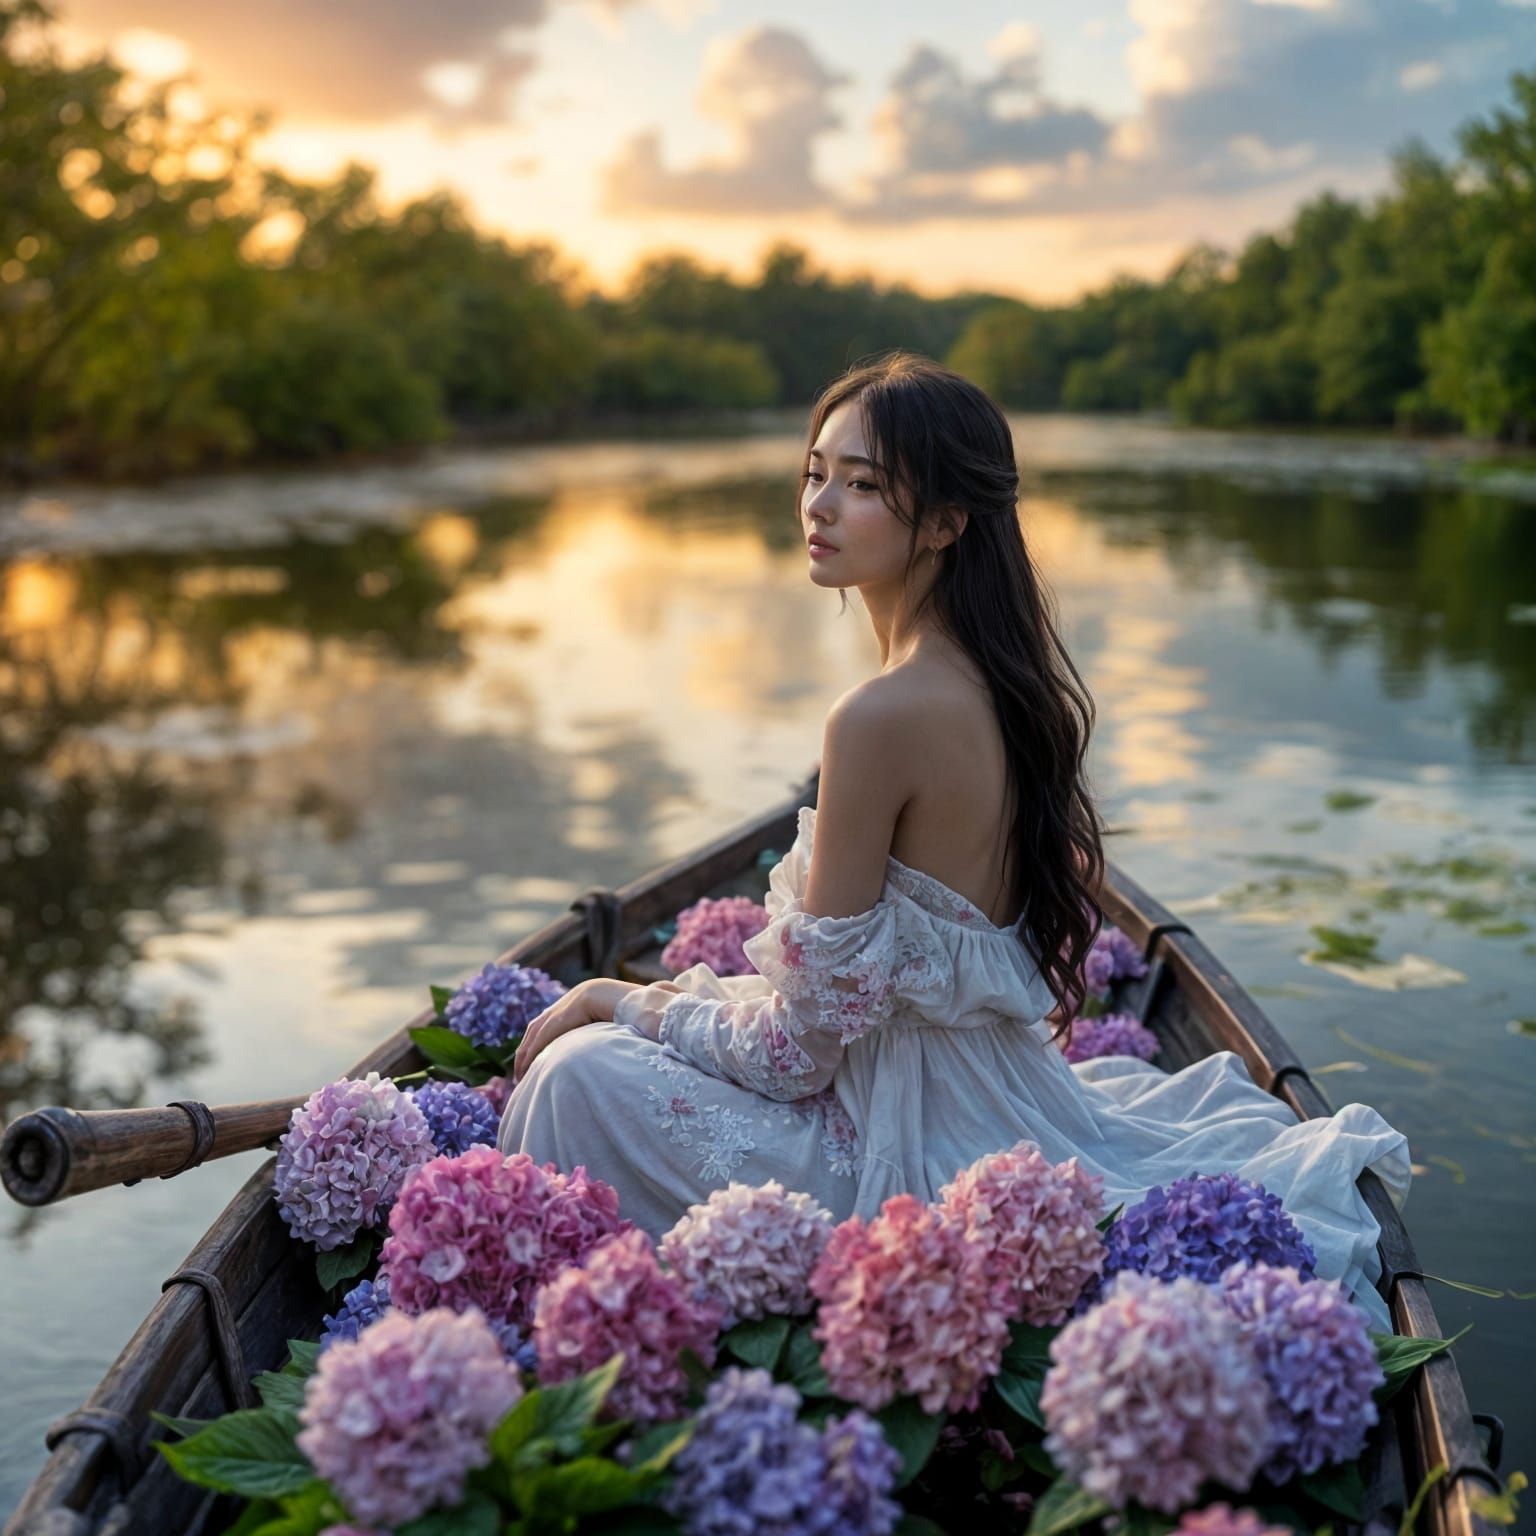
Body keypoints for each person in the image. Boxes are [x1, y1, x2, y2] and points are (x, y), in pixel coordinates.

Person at [498, 351, 1410, 1328]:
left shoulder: (880, 717)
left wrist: (615, 998)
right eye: (815, 473)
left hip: (903, 1139)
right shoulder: (1007, 683)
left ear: (943, 521)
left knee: (572, 1074)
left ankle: (575, 1313)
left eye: (862, 486)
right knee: (594, 1064)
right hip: (988, 1091)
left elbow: (800, 1055)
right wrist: (681, 1007)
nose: (819, 505)